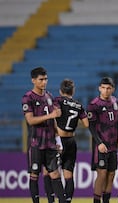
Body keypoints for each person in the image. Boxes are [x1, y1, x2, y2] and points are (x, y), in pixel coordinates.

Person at [21, 67, 66, 203]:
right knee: (34, 175)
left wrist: (58, 140)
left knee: (55, 174)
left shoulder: (49, 97)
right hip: (36, 143)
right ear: (33, 80)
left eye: (46, 79)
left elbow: (53, 121)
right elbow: (30, 120)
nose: (44, 82)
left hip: (50, 143)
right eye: (41, 79)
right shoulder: (28, 98)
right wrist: (51, 115)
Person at [54, 79, 89, 203]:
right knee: (69, 175)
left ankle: (55, 200)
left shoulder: (57, 100)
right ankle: (67, 201)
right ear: (73, 91)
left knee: (52, 173)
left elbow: (55, 114)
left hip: (59, 141)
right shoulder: (79, 105)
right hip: (71, 141)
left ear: (60, 91)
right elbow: (86, 123)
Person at [87, 77, 118, 203]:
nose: (106, 91)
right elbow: (91, 126)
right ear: (99, 88)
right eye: (103, 88)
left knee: (111, 175)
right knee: (102, 174)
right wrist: (99, 142)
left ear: (112, 89)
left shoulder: (115, 102)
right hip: (101, 146)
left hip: (113, 146)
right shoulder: (94, 105)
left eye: (108, 88)